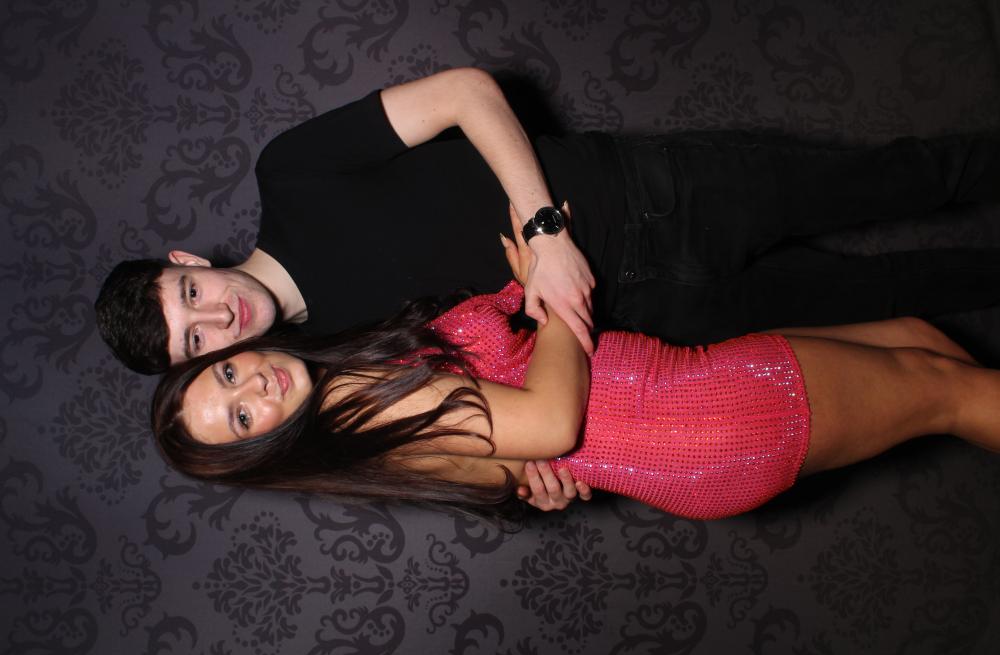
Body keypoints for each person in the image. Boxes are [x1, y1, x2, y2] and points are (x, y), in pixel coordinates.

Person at [102, 67, 1000, 508]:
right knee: (885, 297)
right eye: (198, 343)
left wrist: (543, 231)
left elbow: (466, 91)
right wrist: (527, 475)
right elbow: (507, 421)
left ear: (187, 263)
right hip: (648, 324)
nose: (216, 319)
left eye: (189, 299)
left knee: (909, 178)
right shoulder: (330, 367)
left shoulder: (290, 176)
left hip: (640, 197)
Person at [150, 220, 999, 522]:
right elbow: (554, 421)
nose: (251, 390)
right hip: (703, 418)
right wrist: (551, 297)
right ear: (259, 449)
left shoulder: (354, 425)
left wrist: (533, 477)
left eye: (226, 379)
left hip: (686, 425)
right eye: (240, 419)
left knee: (919, 341)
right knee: (951, 393)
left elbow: (516, 460)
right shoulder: (359, 401)